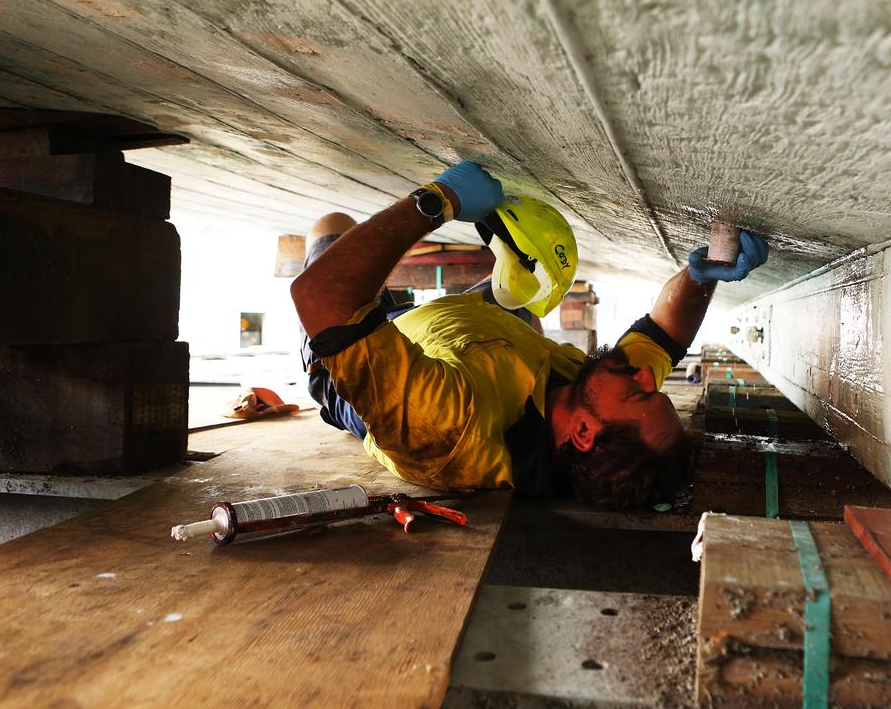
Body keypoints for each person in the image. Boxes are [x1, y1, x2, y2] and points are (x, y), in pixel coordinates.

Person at [292, 162, 768, 510]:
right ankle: (503, 281)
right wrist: (705, 275)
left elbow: (320, 296)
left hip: (357, 356)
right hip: (472, 331)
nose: (647, 377)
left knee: (334, 227)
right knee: (527, 309)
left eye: (643, 395)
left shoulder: (453, 425)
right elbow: (666, 331)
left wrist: (437, 202)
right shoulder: (584, 397)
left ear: (582, 433)